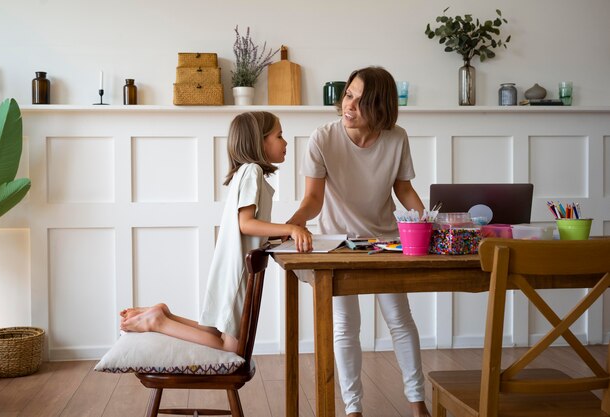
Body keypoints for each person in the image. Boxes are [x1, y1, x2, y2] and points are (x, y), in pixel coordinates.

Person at [287, 67, 431, 417]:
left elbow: (403, 189)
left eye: (361, 100)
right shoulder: (323, 138)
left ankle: (417, 404)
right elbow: (313, 199)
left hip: (386, 241)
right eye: (348, 94)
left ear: (380, 107)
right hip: (337, 244)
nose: (349, 105)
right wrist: (293, 224)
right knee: (346, 326)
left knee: (400, 320)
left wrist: (429, 223)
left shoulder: (396, 138)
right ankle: (353, 410)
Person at [120, 111, 313, 353]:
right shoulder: (252, 171)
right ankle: (157, 322)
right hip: (237, 272)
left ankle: (163, 314)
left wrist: (281, 234)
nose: (285, 142)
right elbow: (246, 223)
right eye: (279, 135)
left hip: (230, 265)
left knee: (214, 332)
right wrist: (290, 228)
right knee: (231, 347)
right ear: (259, 141)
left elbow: (249, 228)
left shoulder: (248, 172)